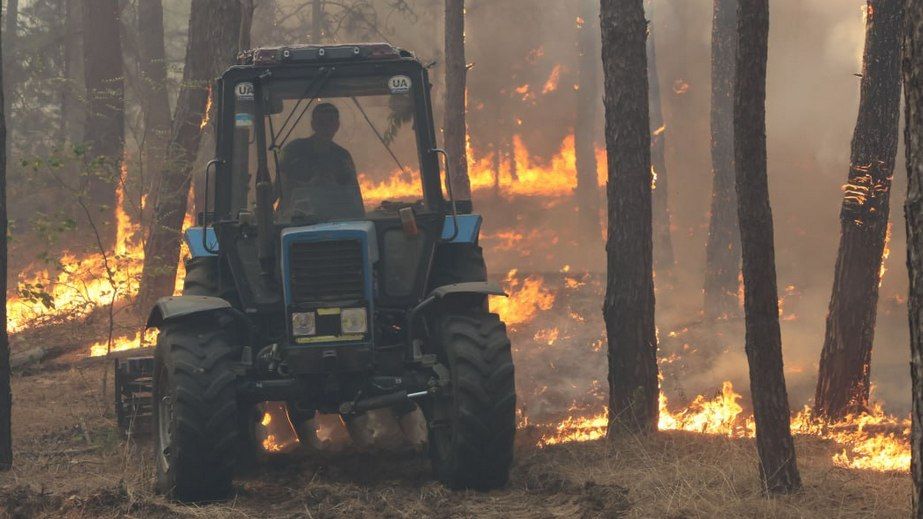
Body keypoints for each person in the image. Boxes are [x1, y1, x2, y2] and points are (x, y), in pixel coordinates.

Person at [277, 103, 364, 218]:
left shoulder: (342, 157)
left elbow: (354, 197)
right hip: (293, 221)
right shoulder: (292, 151)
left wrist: (332, 187)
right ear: (313, 125)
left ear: (337, 125)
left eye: (330, 121)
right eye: (321, 122)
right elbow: (277, 188)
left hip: (335, 222)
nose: (326, 126)